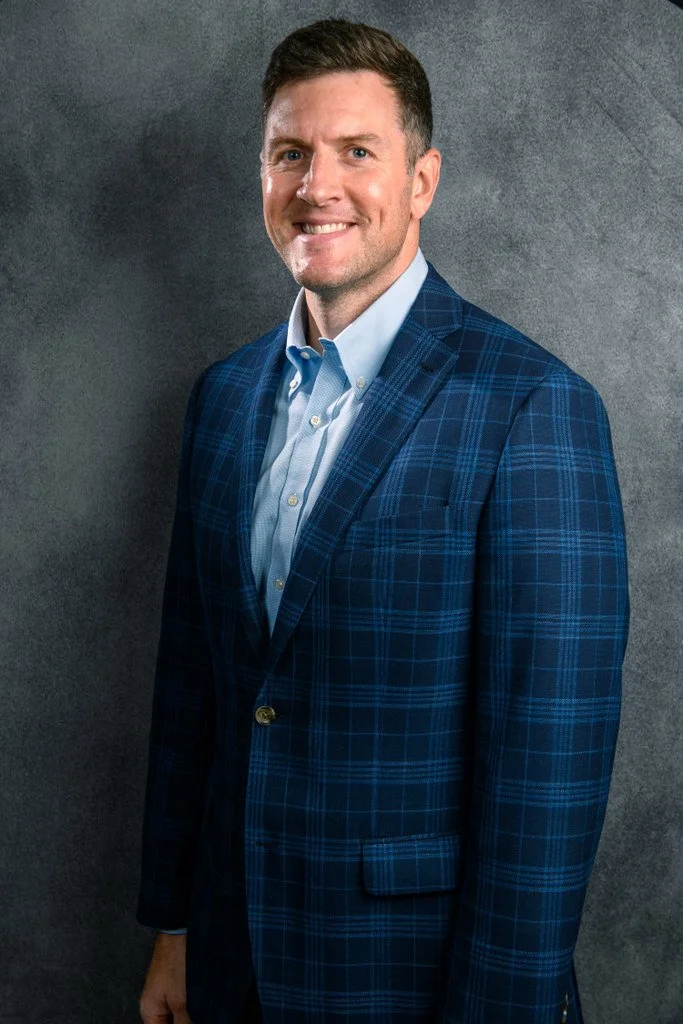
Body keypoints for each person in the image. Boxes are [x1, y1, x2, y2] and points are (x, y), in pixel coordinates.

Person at [137, 18, 629, 1024]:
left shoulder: (531, 407)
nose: (315, 185)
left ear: (420, 181)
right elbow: (195, 688)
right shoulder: (221, 399)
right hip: (232, 959)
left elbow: (547, 768)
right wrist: (176, 925)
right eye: (289, 153)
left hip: (417, 976)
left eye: (356, 152)